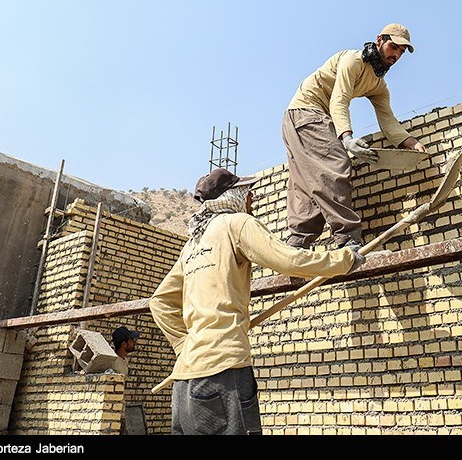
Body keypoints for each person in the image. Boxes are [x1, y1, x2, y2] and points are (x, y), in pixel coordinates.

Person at [149, 167, 366, 435]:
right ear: (233, 197)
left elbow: (159, 301)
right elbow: (289, 261)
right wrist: (344, 259)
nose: (252, 199)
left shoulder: (192, 244)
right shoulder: (236, 223)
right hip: (223, 373)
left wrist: (185, 346)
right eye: (247, 193)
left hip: (184, 384)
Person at [282, 22, 428, 250]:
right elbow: (339, 98)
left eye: (401, 52)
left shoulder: (378, 85)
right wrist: (347, 138)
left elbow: (388, 120)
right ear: (379, 40)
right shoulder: (353, 61)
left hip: (299, 120)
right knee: (336, 165)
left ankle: (297, 247)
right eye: (393, 47)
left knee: (306, 185)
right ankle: (348, 238)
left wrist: (411, 142)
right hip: (307, 112)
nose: (396, 55)